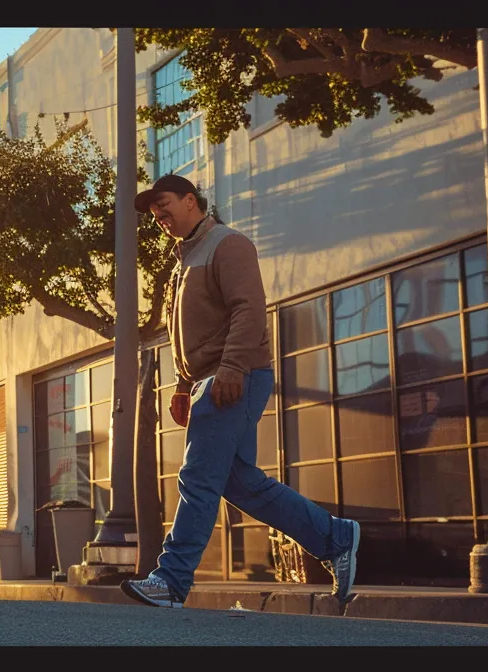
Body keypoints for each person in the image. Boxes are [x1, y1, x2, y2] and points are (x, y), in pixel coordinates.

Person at [119, 174, 360, 609]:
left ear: (191, 200)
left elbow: (249, 310)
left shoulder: (228, 244)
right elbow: (189, 331)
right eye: (154, 213)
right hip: (210, 379)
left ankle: (171, 580)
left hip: (234, 375)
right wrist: (182, 384)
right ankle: (335, 537)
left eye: (165, 204)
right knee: (242, 484)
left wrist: (230, 368)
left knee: (197, 476)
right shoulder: (184, 260)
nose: (159, 215)